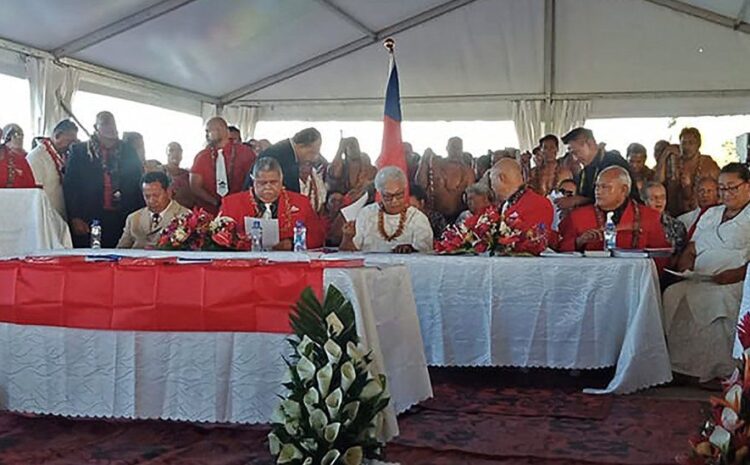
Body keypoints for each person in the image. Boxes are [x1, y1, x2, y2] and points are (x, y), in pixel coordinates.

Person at [663, 163, 750, 383]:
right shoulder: (711, 213)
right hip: (700, 277)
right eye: (722, 188)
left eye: (732, 188)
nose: (726, 194)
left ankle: (717, 371)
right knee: (672, 294)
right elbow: (691, 248)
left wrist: (738, 274)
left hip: (736, 280)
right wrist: (685, 267)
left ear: (748, 186)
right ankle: (678, 366)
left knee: (714, 298)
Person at [64, 111, 144, 248]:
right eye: (105, 123)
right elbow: (71, 186)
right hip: (89, 217)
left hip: (123, 217)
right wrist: (75, 217)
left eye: (112, 123)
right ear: (96, 127)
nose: (110, 127)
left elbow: (138, 184)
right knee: (92, 261)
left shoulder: (128, 151)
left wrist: (140, 217)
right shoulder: (80, 151)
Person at [219, 157, 324, 250]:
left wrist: (292, 243)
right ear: (253, 180)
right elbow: (219, 237)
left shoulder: (301, 202)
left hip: (287, 266)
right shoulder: (231, 204)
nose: (268, 187)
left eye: (273, 182)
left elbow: (318, 236)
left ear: (281, 179)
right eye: (262, 183)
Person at [558, 166, 670, 253]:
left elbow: (660, 255)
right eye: (597, 186)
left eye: (605, 187)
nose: (598, 191)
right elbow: (559, 248)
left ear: (624, 190)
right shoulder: (577, 216)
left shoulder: (648, 217)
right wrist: (578, 242)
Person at [340, 166, 433, 254]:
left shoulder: (417, 218)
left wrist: (411, 249)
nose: (394, 200)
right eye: (388, 196)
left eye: (399, 195)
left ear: (405, 191)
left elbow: (426, 253)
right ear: (379, 193)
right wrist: (348, 237)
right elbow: (348, 254)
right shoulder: (367, 214)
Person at [556, 127, 639, 214]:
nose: (575, 159)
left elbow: (615, 200)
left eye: (576, 152)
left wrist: (579, 201)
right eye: (572, 154)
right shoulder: (584, 171)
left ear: (590, 144)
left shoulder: (613, 162)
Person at [190, 116, 256, 215]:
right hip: (209, 213)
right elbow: (195, 186)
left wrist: (235, 202)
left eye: (208, 131)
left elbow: (254, 181)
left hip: (239, 210)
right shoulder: (202, 156)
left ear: (221, 130)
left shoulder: (245, 152)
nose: (206, 135)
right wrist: (215, 202)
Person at [655, 127, 720, 216]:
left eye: (691, 143)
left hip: (702, 214)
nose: (687, 147)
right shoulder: (674, 162)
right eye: (684, 143)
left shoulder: (708, 164)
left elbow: (719, 189)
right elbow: (657, 183)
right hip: (675, 213)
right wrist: (665, 154)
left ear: (698, 144)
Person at [117, 171, 190, 249]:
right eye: (147, 196)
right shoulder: (133, 218)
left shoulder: (186, 216)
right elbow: (121, 250)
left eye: (156, 195)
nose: (151, 200)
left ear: (168, 192)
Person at [415, 137, 476, 223]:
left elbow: (472, 197)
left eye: (458, 148)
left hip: (458, 216)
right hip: (435, 215)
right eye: (453, 147)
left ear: (462, 149)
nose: (455, 150)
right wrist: (424, 161)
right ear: (447, 148)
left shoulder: (468, 171)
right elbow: (421, 184)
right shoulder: (435, 164)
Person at [25, 119, 78, 218]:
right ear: (57, 136)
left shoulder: (63, 155)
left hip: (60, 217)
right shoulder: (37, 157)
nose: (71, 146)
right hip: (45, 218)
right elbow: (35, 195)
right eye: (69, 141)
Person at [246, 128, 321, 194]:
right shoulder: (283, 157)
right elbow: (290, 194)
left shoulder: (285, 150)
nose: (313, 158)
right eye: (312, 152)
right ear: (301, 146)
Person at [489, 158, 554, 234]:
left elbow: (532, 241)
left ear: (502, 178)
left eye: (492, 181)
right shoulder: (506, 204)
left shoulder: (538, 204)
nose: (492, 187)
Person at [641, 181, 687, 253]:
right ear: (645, 200)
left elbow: (680, 254)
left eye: (662, 197)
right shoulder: (636, 224)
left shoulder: (676, 225)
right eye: (654, 197)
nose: (659, 201)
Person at [677, 176, 720, 240]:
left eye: (709, 191)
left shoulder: (723, 217)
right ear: (696, 193)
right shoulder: (683, 220)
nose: (705, 195)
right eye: (701, 191)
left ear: (717, 194)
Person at [164, 141, 194, 209]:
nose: (175, 153)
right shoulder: (160, 172)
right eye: (171, 150)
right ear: (166, 153)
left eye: (179, 151)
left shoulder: (187, 174)